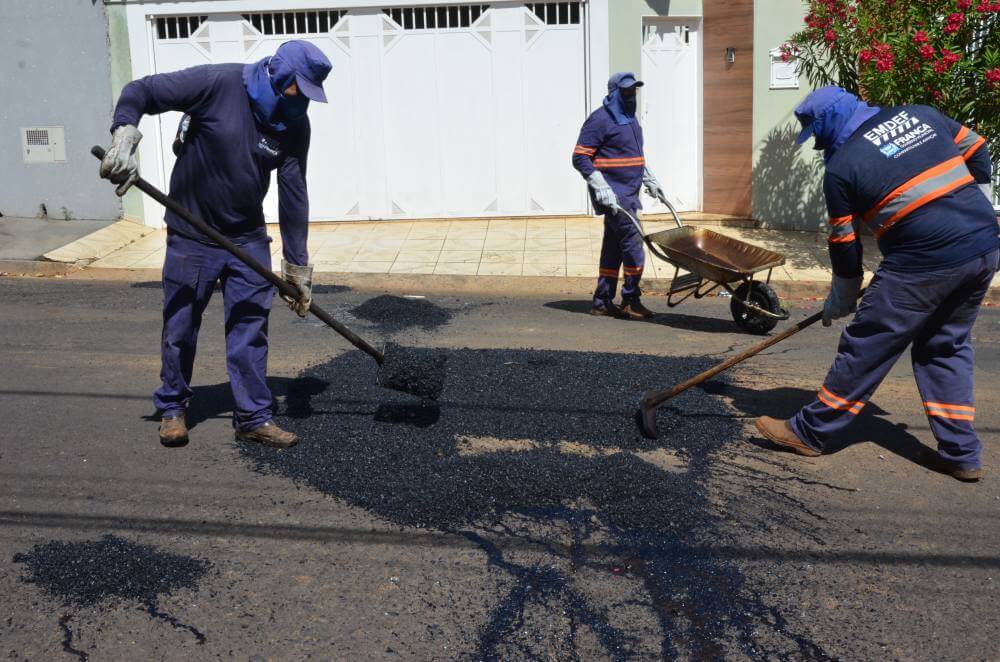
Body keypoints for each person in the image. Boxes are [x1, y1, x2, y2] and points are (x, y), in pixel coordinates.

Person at [755, 85, 998, 482]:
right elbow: (979, 149)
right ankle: (961, 452)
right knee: (944, 346)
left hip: (923, 260)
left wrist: (843, 296)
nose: (818, 146)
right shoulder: (922, 112)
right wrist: (977, 204)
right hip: (983, 245)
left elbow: (844, 244)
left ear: (830, 123)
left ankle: (810, 432)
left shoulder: (842, 169)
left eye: (817, 134)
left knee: (868, 343)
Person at [99, 40, 332, 449]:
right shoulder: (218, 83)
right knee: (181, 326)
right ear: (279, 75)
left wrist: (297, 267)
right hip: (193, 235)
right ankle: (172, 407)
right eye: (299, 89)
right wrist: (124, 135)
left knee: (250, 328)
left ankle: (253, 416)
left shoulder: (296, 124)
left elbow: (293, 196)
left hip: (247, 237)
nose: (301, 102)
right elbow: (141, 91)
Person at [572, 72, 665, 320]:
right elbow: (580, 157)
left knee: (613, 249)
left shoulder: (631, 120)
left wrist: (648, 177)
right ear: (614, 93)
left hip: (630, 193)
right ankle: (631, 299)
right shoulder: (599, 120)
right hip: (614, 195)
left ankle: (602, 301)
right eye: (625, 92)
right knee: (634, 247)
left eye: (633, 91)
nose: (630, 96)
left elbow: (633, 155)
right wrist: (599, 184)